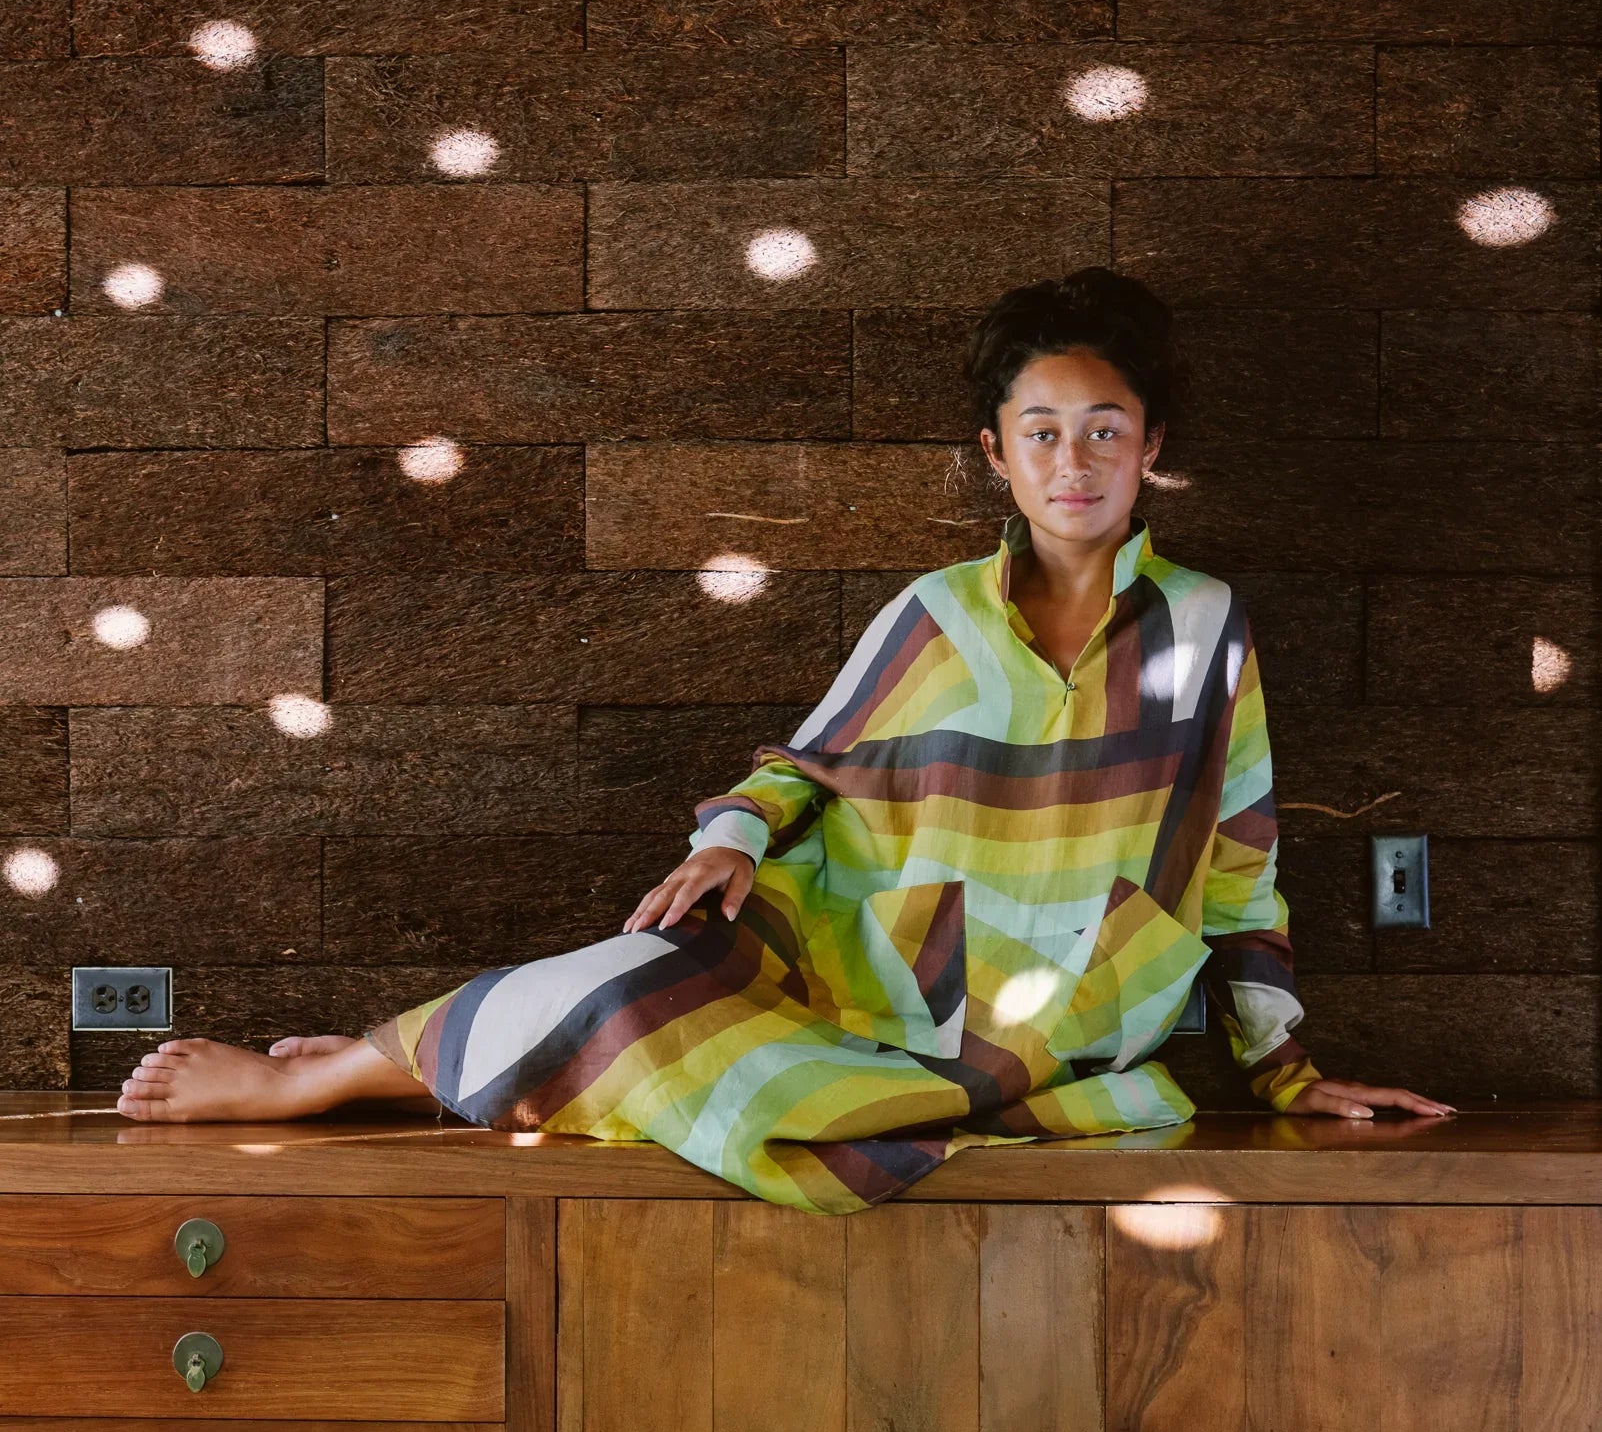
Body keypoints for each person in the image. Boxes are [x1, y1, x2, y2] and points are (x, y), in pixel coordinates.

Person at [116, 267, 1453, 1200]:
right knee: (625, 977)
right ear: (995, 453)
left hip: (1057, 1032)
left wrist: (1286, 1077)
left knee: (788, 1115)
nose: (1072, 462)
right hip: (876, 965)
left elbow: (1236, 863)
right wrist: (739, 842)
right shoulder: (932, 614)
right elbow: (802, 765)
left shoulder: (1207, 625)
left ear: (1150, 445)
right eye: (1039, 432)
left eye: (1103, 431)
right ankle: (347, 1071)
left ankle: (421, 1074)